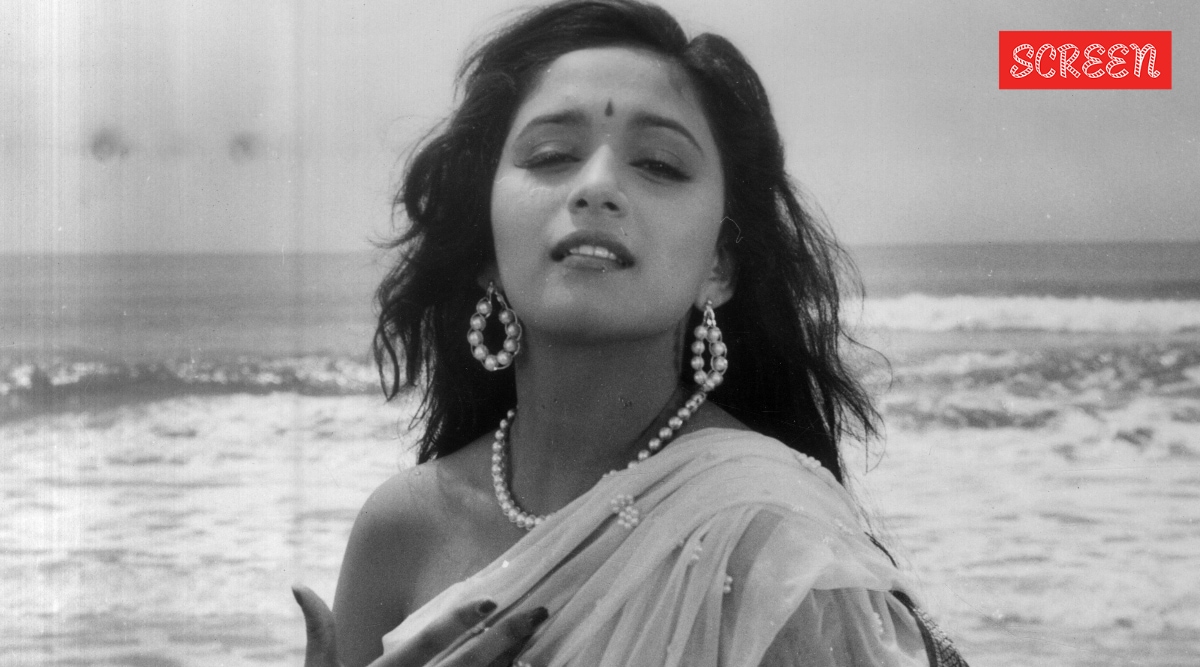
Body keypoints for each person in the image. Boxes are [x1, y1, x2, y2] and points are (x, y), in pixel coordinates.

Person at [292, 1, 968, 665]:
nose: (597, 186)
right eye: (551, 154)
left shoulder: (776, 544)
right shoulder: (401, 530)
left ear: (719, 265)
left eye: (660, 165)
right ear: (485, 249)